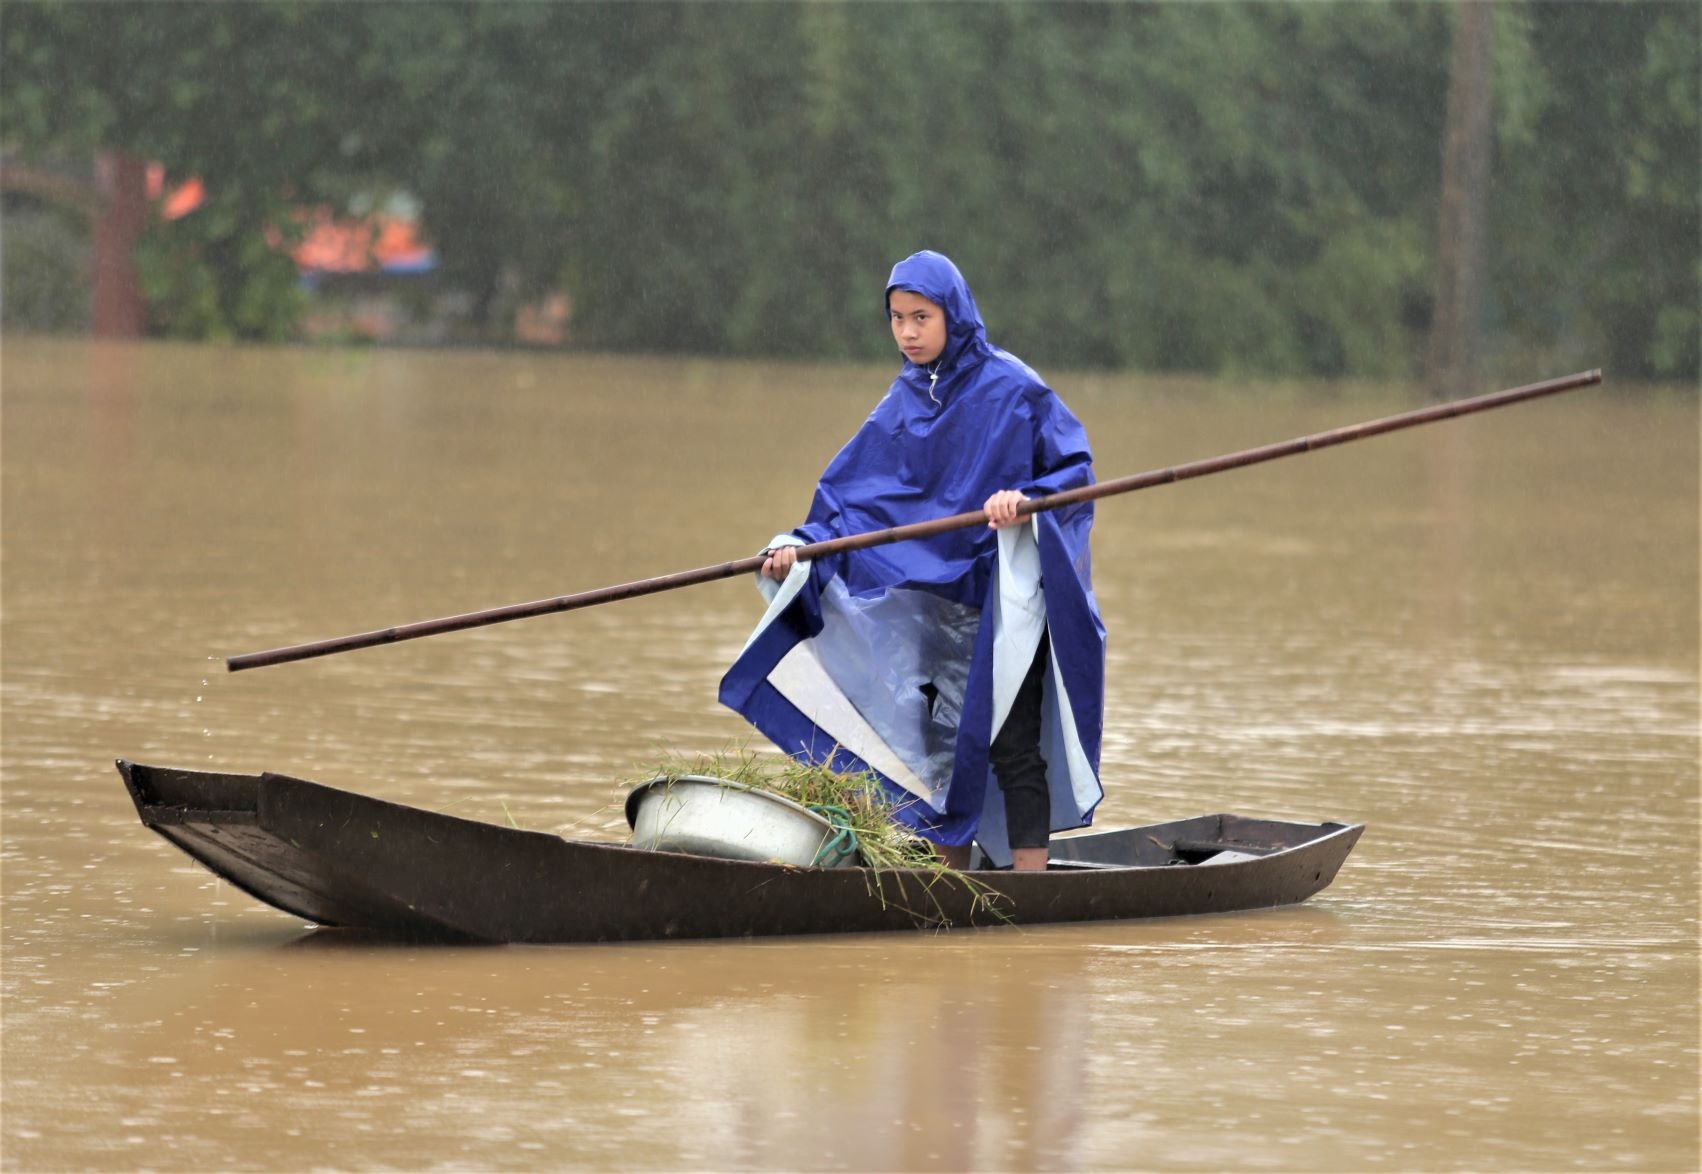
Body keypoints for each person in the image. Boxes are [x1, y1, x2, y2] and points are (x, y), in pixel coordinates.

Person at [718, 250, 1106, 870]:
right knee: (941, 752)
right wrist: (797, 547)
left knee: (1011, 745)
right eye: (897, 318)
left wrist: (1027, 502)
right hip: (934, 612)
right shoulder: (902, 402)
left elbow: (1073, 476)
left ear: (953, 314)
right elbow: (849, 508)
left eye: (921, 317)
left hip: (1006, 607)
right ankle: (947, 887)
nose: (907, 332)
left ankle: (1032, 895)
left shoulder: (1013, 387)